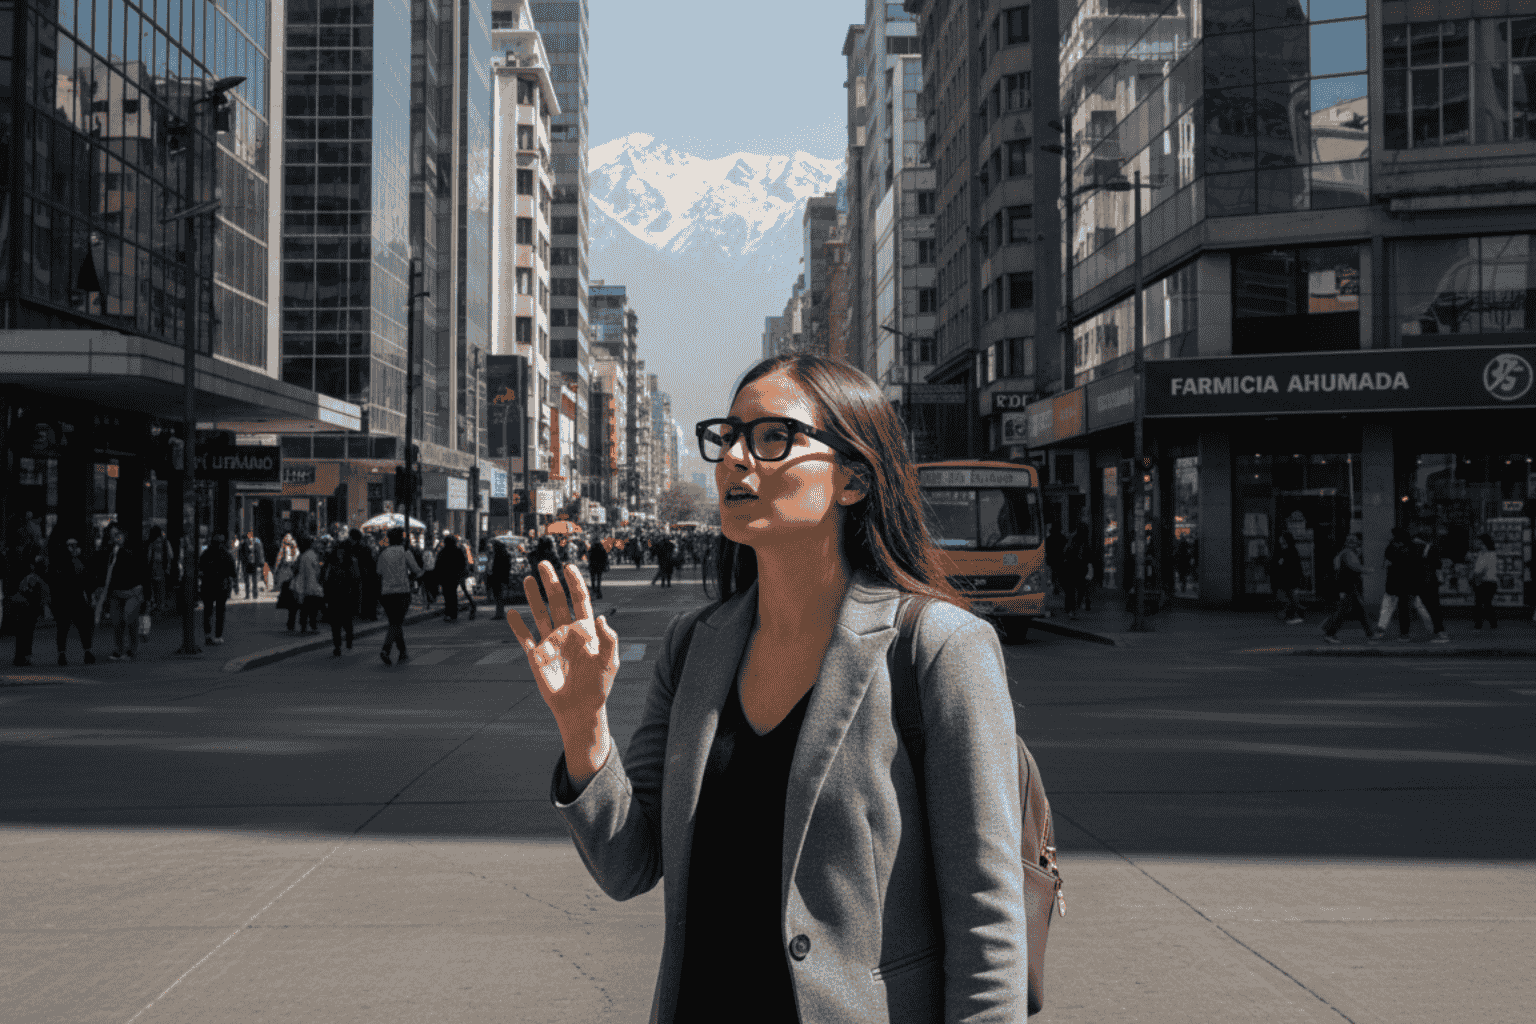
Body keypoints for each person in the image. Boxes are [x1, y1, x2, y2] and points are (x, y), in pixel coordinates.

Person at [510, 353, 1028, 1021]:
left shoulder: (939, 647)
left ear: (854, 479)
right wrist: (583, 726)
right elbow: (627, 865)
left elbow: (987, 919)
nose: (735, 459)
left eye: (772, 437)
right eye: (728, 436)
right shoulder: (696, 645)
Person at [93, 524, 147, 661]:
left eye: (117, 534)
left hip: (132, 589)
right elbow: (102, 569)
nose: (115, 537)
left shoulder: (130, 549)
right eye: (112, 535)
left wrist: (144, 590)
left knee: (130, 618)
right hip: (115, 591)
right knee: (117, 622)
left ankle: (132, 648)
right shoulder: (108, 551)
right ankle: (119, 648)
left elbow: (140, 566)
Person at [1377, 526, 1430, 643]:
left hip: (1394, 582)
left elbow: (1387, 562)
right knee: (1413, 607)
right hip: (1408, 583)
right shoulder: (1412, 547)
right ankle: (1426, 628)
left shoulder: (1392, 547)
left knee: (1388, 606)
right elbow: (1418, 562)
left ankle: (1382, 628)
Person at [377, 526, 422, 664]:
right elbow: (417, 570)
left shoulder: (383, 554)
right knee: (396, 622)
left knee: (394, 623)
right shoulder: (405, 552)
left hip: (386, 593)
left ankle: (402, 651)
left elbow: (378, 573)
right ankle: (386, 649)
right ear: (401, 539)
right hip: (402, 592)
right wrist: (414, 579)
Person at [1322, 534, 1377, 643]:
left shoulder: (1345, 552)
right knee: (1344, 611)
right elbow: (1355, 567)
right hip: (1348, 586)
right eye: (1356, 542)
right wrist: (1368, 570)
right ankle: (1330, 633)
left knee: (1359, 611)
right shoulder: (1348, 553)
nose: (1357, 544)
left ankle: (1370, 634)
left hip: (1348, 586)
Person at [50, 537, 96, 665]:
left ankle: (86, 651)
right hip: (66, 598)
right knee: (65, 627)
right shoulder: (63, 561)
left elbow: (87, 577)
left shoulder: (80, 560)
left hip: (76, 597)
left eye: (75, 545)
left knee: (81, 626)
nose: (73, 548)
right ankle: (63, 654)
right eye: (70, 545)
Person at [323, 534, 361, 656]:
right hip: (335, 594)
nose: (340, 553)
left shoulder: (352, 561)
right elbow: (326, 579)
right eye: (339, 550)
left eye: (342, 550)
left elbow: (356, 579)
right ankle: (337, 645)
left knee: (346, 621)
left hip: (346, 594)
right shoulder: (332, 562)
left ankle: (348, 639)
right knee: (336, 623)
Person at [9, 555, 49, 667]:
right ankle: (23, 657)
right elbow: (36, 595)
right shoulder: (36, 579)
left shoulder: (30, 577)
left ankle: (20, 657)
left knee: (22, 634)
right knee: (26, 634)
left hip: (23, 608)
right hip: (28, 609)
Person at [198, 534, 237, 646]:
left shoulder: (206, 554)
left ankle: (207, 635)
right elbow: (233, 572)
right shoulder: (226, 554)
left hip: (208, 585)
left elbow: (200, 568)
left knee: (207, 611)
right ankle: (218, 636)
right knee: (220, 612)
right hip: (221, 586)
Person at [1414, 526, 1450, 644]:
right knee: (1433, 606)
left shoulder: (1419, 548)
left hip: (1423, 582)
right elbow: (1438, 566)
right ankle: (1438, 630)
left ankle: (1439, 631)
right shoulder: (1431, 548)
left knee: (1429, 607)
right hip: (1431, 582)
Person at [1269, 532, 1304, 624]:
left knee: (1291, 598)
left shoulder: (1291, 550)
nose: (1279, 539)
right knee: (1289, 597)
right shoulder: (1282, 550)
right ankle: (1292, 614)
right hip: (1285, 578)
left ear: (1285, 539)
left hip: (1290, 578)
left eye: (1281, 538)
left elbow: (1295, 565)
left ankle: (1294, 615)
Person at [293, 535, 324, 634]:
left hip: (304, 584)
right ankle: (312, 626)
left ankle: (303, 626)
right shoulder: (312, 555)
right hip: (312, 584)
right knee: (313, 608)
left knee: (304, 608)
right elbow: (317, 570)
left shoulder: (303, 555)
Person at [1471, 532, 1499, 630]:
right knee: (1484, 603)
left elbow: (1481, 569)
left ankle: (1483, 624)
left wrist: (1476, 579)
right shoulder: (1485, 554)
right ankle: (1489, 623)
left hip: (1486, 582)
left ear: (1484, 543)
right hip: (1486, 582)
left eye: (1479, 542)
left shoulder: (1488, 555)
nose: (1477, 544)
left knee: (1483, 604)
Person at [437, 533, 468, 621]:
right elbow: (462, 563)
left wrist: (438, 576)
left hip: (445, 577)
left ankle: (448, 613)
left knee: (447, 595)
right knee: (453, 594)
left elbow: (438, 565)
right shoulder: (458, 551)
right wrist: (462, 574)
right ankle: (453, 614)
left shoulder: (443, 552)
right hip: (455, 576)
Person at [145, 525, 174, 614]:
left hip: (153, 568)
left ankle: (153, 603)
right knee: (162, 588)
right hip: (163, 568)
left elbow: (148, 557)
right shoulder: (165, 542)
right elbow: (171, 555)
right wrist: (168, 566)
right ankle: (160, 605)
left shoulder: (151, 543)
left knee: (153, 587)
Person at [273, 537, 300, 630]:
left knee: (288, 593)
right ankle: (291, 620)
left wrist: (276, 570)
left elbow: (279, 559)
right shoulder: (295, 550)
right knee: (291, 594)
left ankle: (291, 619)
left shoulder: (285, 549)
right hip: (291, 574)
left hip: (287, 573)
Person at [238, 531, 265, 599]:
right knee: (249, 579)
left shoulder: (254, 543)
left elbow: (259, 553)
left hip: (251, 564)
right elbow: (240, 554)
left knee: (252, 579)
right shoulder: (245, 544)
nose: (249, 539)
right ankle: (250, 594)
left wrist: (260, 563)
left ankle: (252, 594)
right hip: (249, 564)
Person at [489, 539, 513, 617]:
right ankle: (500, 612)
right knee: (500, 595)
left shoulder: (499, 555)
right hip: (502, 577)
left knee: (498, 595)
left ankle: (499, 613)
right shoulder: (505, 555)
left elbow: (497, 567)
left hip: (498, 576)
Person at [1044, 522, 1065, 596]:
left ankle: (1056, 588)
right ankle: (1058, 587)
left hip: (1053, 559)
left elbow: (1046, 550)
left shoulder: (1049, 539)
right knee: (1059, 574)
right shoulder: (1062, 538)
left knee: (1054, 574)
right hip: (1059, 559)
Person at [585, 532, 609, 599]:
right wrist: (605, 564)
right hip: (599, 566)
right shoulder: (601, 548)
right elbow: (605, 557)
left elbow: (588, 557)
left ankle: (593, 592)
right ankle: (598, 593)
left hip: (593, 566)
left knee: (593, 580)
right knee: (598, 579)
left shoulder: (591, 548)